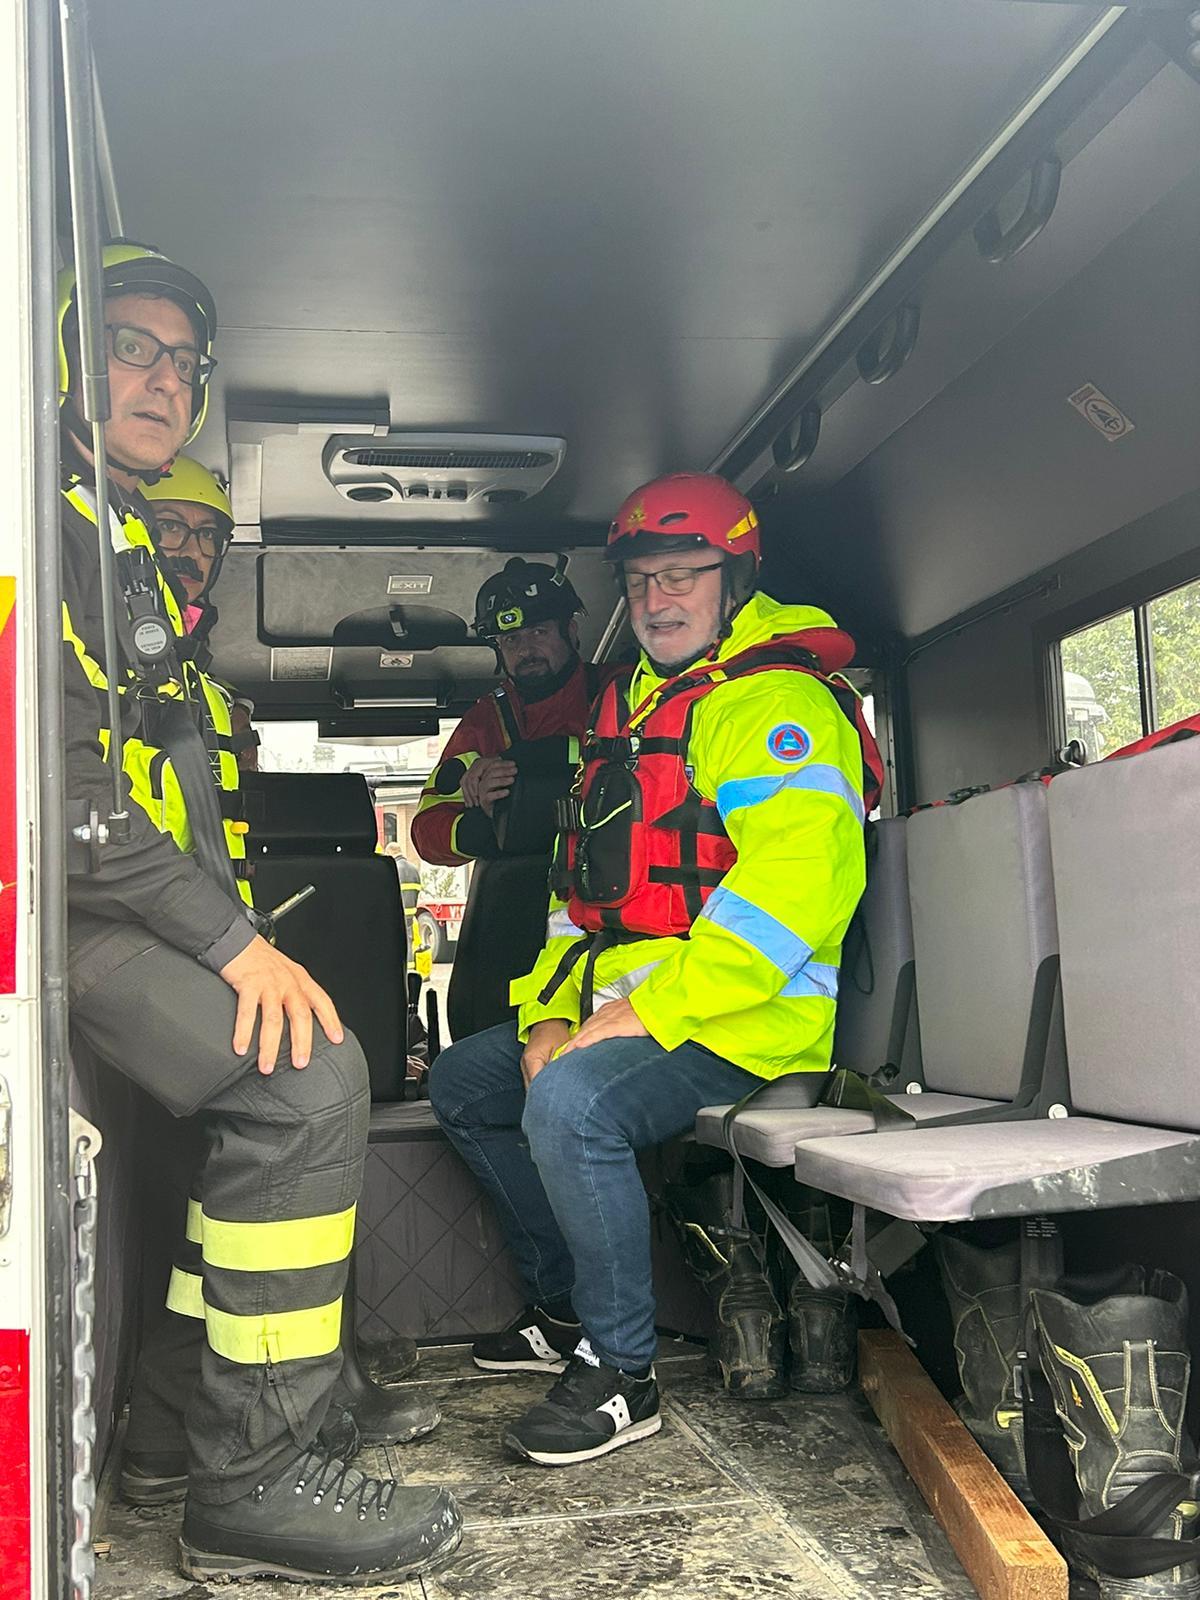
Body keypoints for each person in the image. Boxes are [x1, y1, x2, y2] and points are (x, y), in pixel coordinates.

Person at [57, 241, 460, 1582]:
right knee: (308, 1083)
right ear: (63, 345)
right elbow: (66, 801)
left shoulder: (97, 532)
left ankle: (180, 1432)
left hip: (120, 912)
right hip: (64, 913)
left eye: (181, 362)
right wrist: (237, 949)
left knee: (227, 1147)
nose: (160, 377)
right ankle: (253, 1477)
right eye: (128, 346)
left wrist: (238, 940)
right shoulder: (40, 525)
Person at [429, 472, 881, 1466]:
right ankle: (557, 1303)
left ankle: (621, 1370)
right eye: (640, 583)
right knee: (467, 1081)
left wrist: (637, 1016)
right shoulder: (633, 704)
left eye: (685, 575)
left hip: (749, 1019)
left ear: (737, 577)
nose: (659, 600)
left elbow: (798, 891)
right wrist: (552, 1014)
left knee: (574, 1105)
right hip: (637, 1005)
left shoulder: (772, 703)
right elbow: (576, 897)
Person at [411, 556, 599, 867]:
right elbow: (426, 831)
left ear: (571, 631)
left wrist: (527, 757)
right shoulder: (486, 721)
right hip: (519, 895)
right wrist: (487, 818)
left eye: (538, 632)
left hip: (610, 886)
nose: (525, 650)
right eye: (512, 639)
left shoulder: (618, 691)